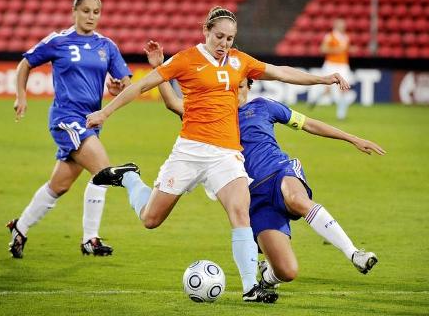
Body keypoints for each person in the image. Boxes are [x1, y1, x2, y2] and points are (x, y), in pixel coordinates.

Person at [86, 7, 350, 302]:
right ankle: (130, 178)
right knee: (151, 219)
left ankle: (251, 287)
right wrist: (105, 112)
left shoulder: (240, 61)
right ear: (206, 32)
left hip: (226, 153)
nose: (224, 43)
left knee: (240, 213)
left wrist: (323, 79)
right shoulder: (186, 59)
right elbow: (144, 85)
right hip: (189, 150)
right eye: (219, 36)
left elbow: (280, 72)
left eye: (230, 38)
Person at [143, 42, 385, 292]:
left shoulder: (264, 106)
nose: (231, 93)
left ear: (248, 84)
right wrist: (159, 68)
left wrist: (353, 138)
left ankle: (354, 252)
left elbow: (309, 124)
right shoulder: (207, 114)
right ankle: (268, 276)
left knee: (296, 199)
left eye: (237, 87)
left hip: (279, 170)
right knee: (287, 271)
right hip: (253, 196)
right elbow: (173, 103)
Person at [7, 0, 132, 258]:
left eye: (96, 12)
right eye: (86, 11)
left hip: (90, 122)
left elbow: (126, 84)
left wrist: (116, 86)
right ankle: (90, 239)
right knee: (103, 171)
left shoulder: (106, 46)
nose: (91, 17)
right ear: (74, 11)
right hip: (66, 118)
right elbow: (25, 64)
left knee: (59, 186)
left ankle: (20, 227)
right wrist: (21, 95)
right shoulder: (59, 41)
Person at [310, 18, 355, 120]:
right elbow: (323, 49)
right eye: (340, 24)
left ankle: (341, 115)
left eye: (343, 24)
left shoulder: (346, 37)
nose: (343, 26)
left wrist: (350, 49)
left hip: (343, 65)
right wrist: (337, 50)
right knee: (327, 89)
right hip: (331, 65)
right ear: (336, 25)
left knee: (344, 88)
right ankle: (315, 100)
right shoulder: (330, 36)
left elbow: (345, 50)